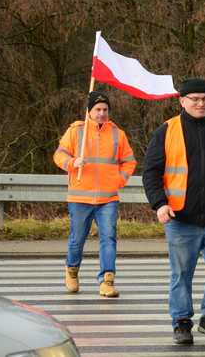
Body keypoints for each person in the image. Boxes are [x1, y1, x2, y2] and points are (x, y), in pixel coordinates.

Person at [142, 78, 205, 345]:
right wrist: (159, 203)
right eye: (194, 99)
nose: (200, 103)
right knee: (182, 273)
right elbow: (150, 172)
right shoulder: (167, 131)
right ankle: (181, 323)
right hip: (180, 217)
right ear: (182, 101)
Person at [53, 91, 136, 298]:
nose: (101, 113)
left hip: (108, 198)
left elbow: (129, 161)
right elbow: (59, 155)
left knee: (108, 238)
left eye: (105, 110)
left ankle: (107, 280)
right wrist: (72, 163)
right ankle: (71, 271)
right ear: (89, 111)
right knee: (77, 239)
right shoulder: (76, 131)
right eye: (97, 109)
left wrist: (119, 180)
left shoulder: (118, 134)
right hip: (80, 197)